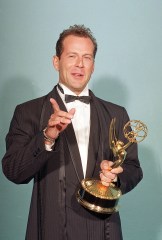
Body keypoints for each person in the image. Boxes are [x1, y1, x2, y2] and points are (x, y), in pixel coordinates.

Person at [2, 24, 143, 240]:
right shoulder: (27, 112)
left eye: (87, 57)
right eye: (72, 56)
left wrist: (115, 177)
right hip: (50, 230)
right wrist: (47, 136)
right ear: (56, 61)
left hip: (104, 231)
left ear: (93, 65)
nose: (79, 64)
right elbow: (13, 171)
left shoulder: (117, 113)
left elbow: (133, 168)